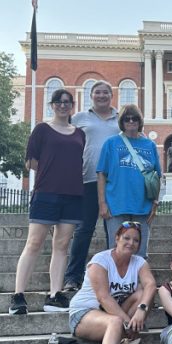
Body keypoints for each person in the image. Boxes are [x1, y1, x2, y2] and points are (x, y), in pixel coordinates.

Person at [10, 88, 85, 316]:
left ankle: (54, 294)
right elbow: (30, 162)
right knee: (34, 243)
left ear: (72, 105)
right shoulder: (42, 129)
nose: (63, 105)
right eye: (59, 102)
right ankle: (18, 295)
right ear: (52, 105)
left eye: (67, 102)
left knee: (61, 246)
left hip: (73, 195)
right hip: (46, 193)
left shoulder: (79, 133)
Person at [68, 221, 158, 344]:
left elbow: (151, 285)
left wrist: (142, 309)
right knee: (115, 322)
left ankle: (124, 337)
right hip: (84, 314)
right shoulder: (100, 260)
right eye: (126, 238)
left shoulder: (139, 262)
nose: (131, 243)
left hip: (111, 314)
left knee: (141, 294)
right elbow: (103, 297)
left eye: (136, 240)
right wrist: (127, 322)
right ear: (116, 238)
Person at [62, 81, 121, 294]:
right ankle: (72, 277)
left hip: (114, 182)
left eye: (106, 92)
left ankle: (114, 277)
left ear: (111, 95)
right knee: (84, 230)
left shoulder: (120, 120)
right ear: (91, 95)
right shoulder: (79, 118)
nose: (102, 95)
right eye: (98, 92)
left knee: (113, 232)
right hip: (87, 180)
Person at [96, 104, 162, 258]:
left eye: (135, 119)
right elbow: (101, 174)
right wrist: (102, 203)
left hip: (143, 205)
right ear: (122, 122)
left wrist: (155, 203)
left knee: (140, 252)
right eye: (127, 119)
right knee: (116, 250)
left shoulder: (149, 145)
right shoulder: (111, 143)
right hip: (116, 204)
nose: (131, 122)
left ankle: (137, 282)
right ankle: (115, 282)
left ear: (140, 121)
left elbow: (157, 176)